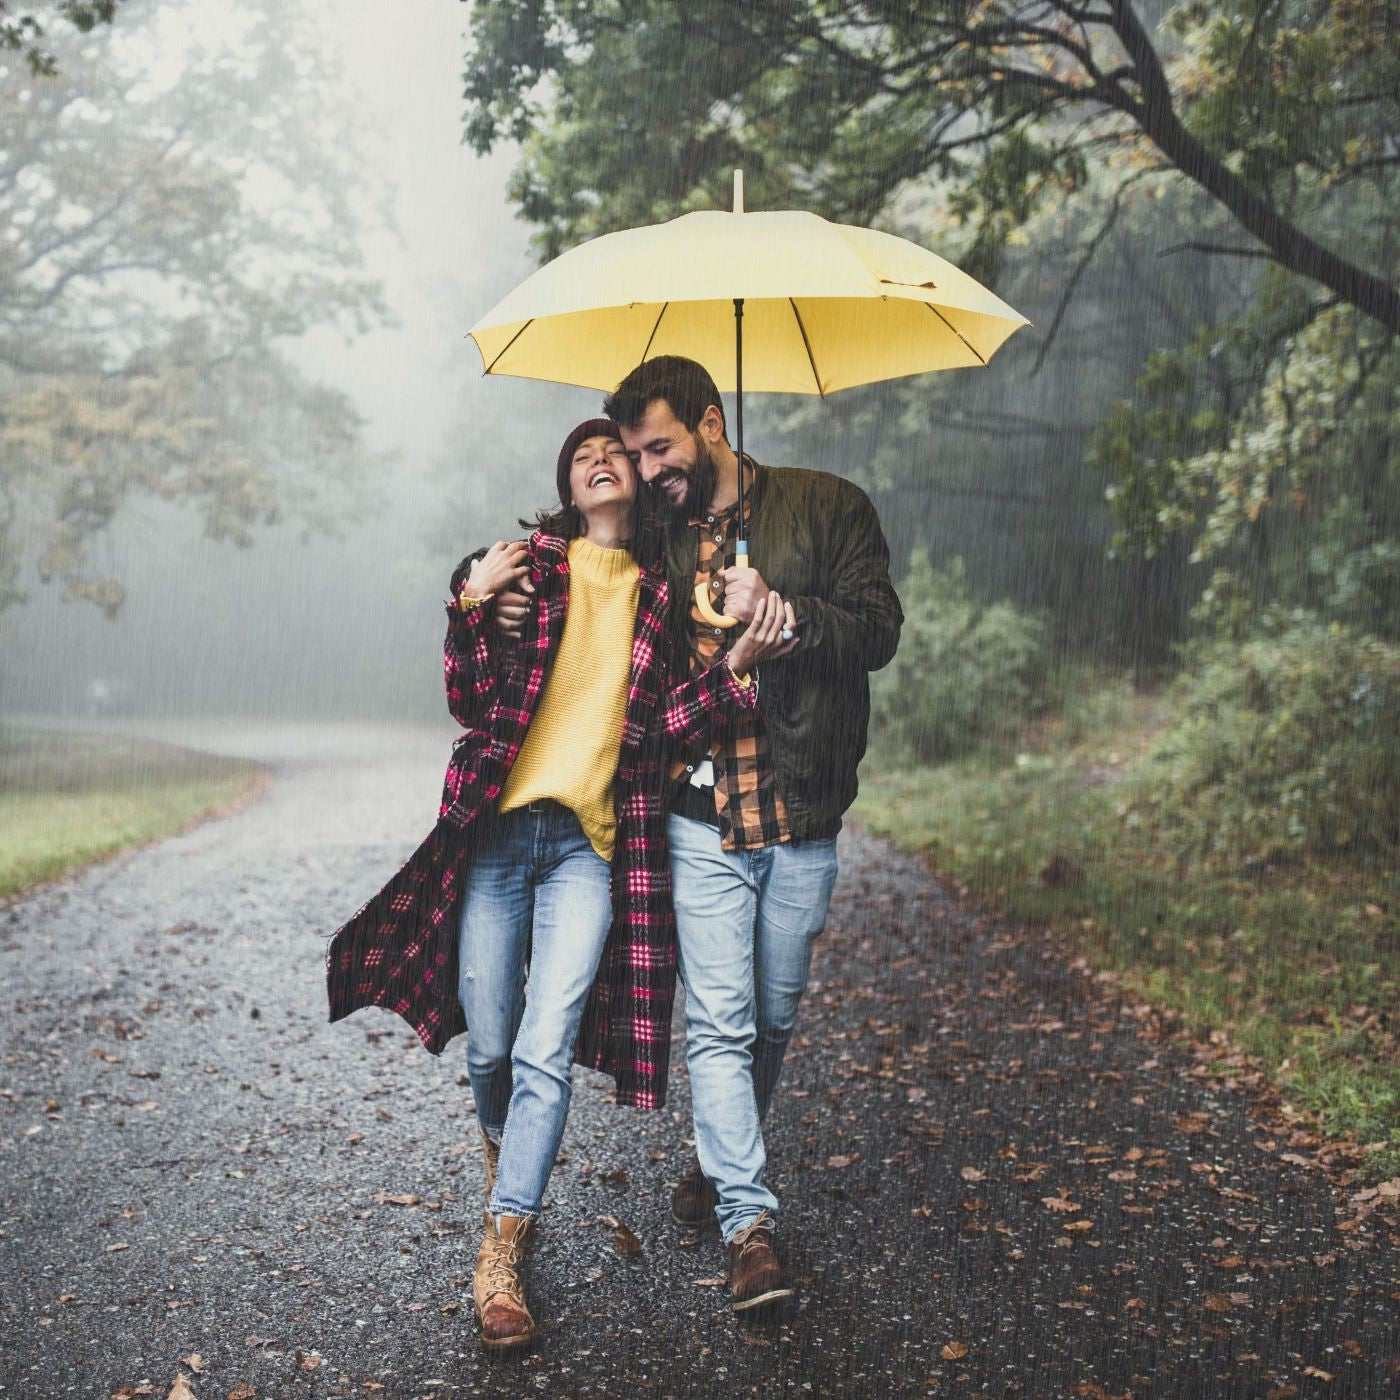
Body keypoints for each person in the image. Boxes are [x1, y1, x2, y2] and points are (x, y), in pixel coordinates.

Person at [326, 418, 794, 1350]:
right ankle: (509, 1155)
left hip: (590, 846)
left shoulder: (664, 597)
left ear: (629, 479)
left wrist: (738, 665)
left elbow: (663, 728)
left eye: (612, 453)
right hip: (498, 839)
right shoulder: (526, 571)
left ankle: (503, 1246)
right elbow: (468, 699)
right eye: (582, 456)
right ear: (568, 487)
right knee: (491, 1044)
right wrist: (467, 602)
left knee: (544, 1046)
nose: (599, 461)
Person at [605, 355, 903, 1309]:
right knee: (722, 1028)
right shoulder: (653, 543)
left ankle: (714, 1154)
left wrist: (787, 612)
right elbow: (585, 590)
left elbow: (880, 629)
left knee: (773, 1021)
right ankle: (749, 1226)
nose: (651, 470)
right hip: (701, 819)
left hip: (804, 813)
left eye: (661, 447)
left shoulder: (829, 505)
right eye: (639, 455)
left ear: (712, 422)